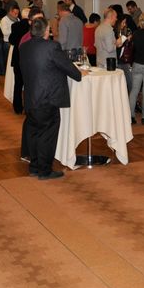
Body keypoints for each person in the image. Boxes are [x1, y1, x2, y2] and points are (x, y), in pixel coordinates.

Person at [20, 18, 85, 180]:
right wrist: (79, 74)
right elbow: (67, 66)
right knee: (47, 135)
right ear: (46, 31)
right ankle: (45, 170)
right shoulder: (51, 47)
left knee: (34, 133)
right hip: (47, 98)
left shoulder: (24, 47)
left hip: (30, 98)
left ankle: (34, 167)